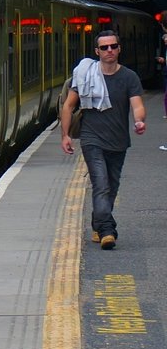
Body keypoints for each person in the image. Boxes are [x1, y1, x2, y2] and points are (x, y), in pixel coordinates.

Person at [59, 30, 144, 249]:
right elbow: (68, 105)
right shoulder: (86, 76)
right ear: (97, 51)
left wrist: (139, 120)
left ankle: (98, 224)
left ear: (119, 48)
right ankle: (107, 230)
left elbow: (137, 104)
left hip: (119, 140)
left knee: (112, 186)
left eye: (113, 46)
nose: (109, 51)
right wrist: (65, 135)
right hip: (91, 138)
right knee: (101, 184)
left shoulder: (129, 77)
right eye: (104, 48)